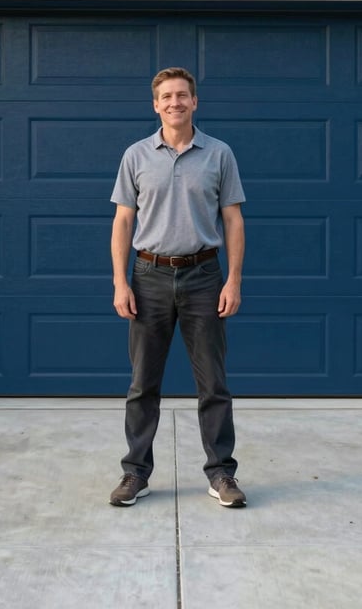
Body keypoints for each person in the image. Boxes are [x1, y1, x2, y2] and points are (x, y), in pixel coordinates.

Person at [108, 66, 247, 508]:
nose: (174, 103)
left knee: (213, 384)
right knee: (142, 384)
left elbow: (233, 219)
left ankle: (221, 474)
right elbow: (123, 221)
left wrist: (233, 279)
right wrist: (119, 282)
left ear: (195, 102)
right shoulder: (135, 156)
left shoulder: (219, 154)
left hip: (204, 276)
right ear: (155, 104)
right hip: (148, 277)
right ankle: (135, 474)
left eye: (182, 95)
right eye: (166, 96)